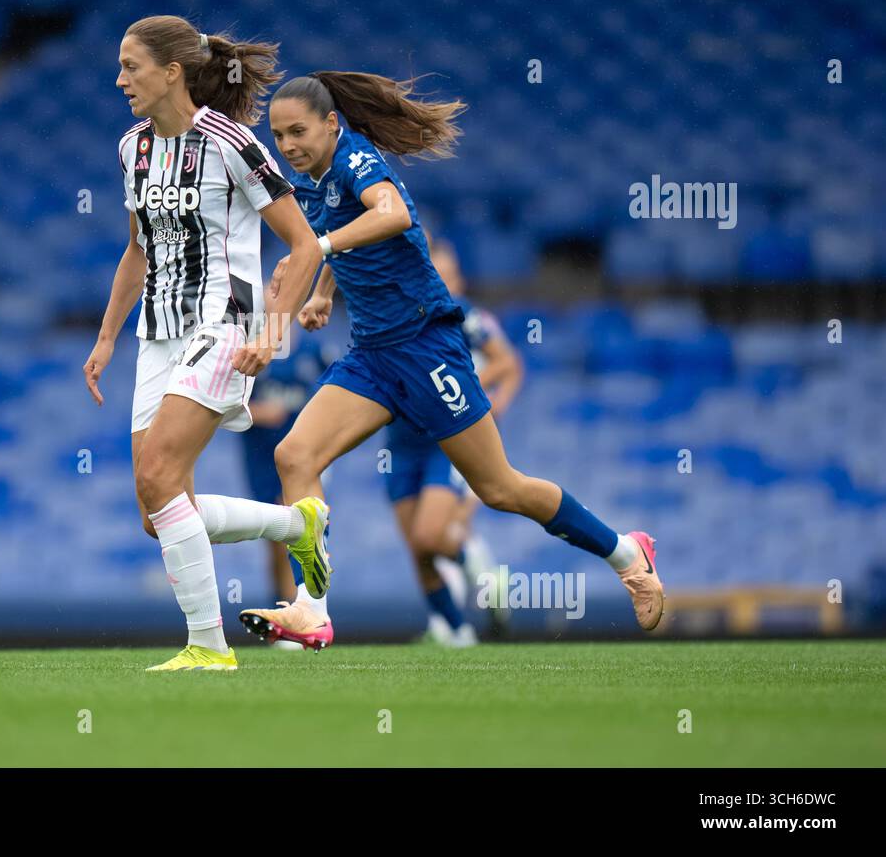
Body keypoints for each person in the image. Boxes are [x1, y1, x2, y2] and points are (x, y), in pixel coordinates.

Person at [238, 71, 663, 649]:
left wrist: (321, 250)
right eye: (278, 135)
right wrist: (320, 293)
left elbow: (392, 216)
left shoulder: (355, 161)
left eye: (298, 132)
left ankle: (624, 551)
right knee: (294, 454)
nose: (287, 146)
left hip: (425, 346)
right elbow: (342, 239)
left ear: (332, 124)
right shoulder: (309, 180)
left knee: (501, 488)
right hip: (372, 356)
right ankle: (312, 607)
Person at [82, 16, 327, 672]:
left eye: (130, 66)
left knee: (159, 478)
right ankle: (294, 525)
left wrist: (270, 335)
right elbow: (137, 249)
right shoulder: (131, 148)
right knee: (156, 509)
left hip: (228, 318)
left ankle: (207, 647)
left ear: (171, 72)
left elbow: (303, 247)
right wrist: (107, 338)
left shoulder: (230, 142)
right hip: (156, 333)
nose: (119, 79)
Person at [384, 236, 521, 647]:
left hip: (449, 441)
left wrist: (487, 403)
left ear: (458, 279)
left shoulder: (468, 318)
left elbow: (508, 363)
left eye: (447, 275)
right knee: (419, 550)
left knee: (430, 535)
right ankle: (454, 630)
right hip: (402, 442)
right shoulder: (402, 316)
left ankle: (478, 567)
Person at [238, 315, 334, 648]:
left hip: (299, 455)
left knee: (294, 529)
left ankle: (301, 613)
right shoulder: (246, 349)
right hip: (260, 456)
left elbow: (334, 395)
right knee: (273, 539)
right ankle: (284, 610)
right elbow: (224, 402)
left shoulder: (313, 350)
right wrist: (255, 411)